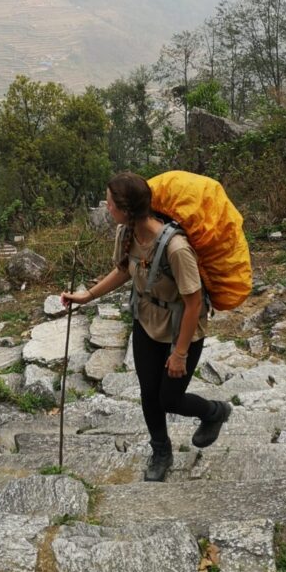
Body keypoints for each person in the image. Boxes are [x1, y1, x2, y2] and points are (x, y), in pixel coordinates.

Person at [61, 171, 231, 482]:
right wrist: (87, 296)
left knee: (170, 399)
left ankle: (214, 412)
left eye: (110, 204)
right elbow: (124, 270)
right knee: (149, 393)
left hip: (182, 326)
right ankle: (161, 450)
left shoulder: (175, 249)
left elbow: (194, 303)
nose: (107, 208)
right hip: (146, 319)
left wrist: (179, 354)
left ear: (126, 209)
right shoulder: (127, 233)